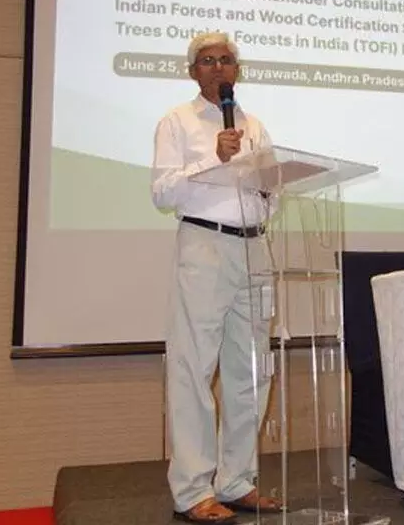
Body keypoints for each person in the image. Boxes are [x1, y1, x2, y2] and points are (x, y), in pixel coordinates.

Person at [151, 32, 284, 524]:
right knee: (194, 370)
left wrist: (269, 187)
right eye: (207, 61)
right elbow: (163, 193)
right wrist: (216, 159)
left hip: (255, 246)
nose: (218, 68)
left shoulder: (255, 125)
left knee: (251, 371)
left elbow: (272, 190)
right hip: (204, 245)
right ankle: (192, 490)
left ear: (237, 70)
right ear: (193, 72)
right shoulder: (177, 122)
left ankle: (236, 481)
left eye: (226, 60)